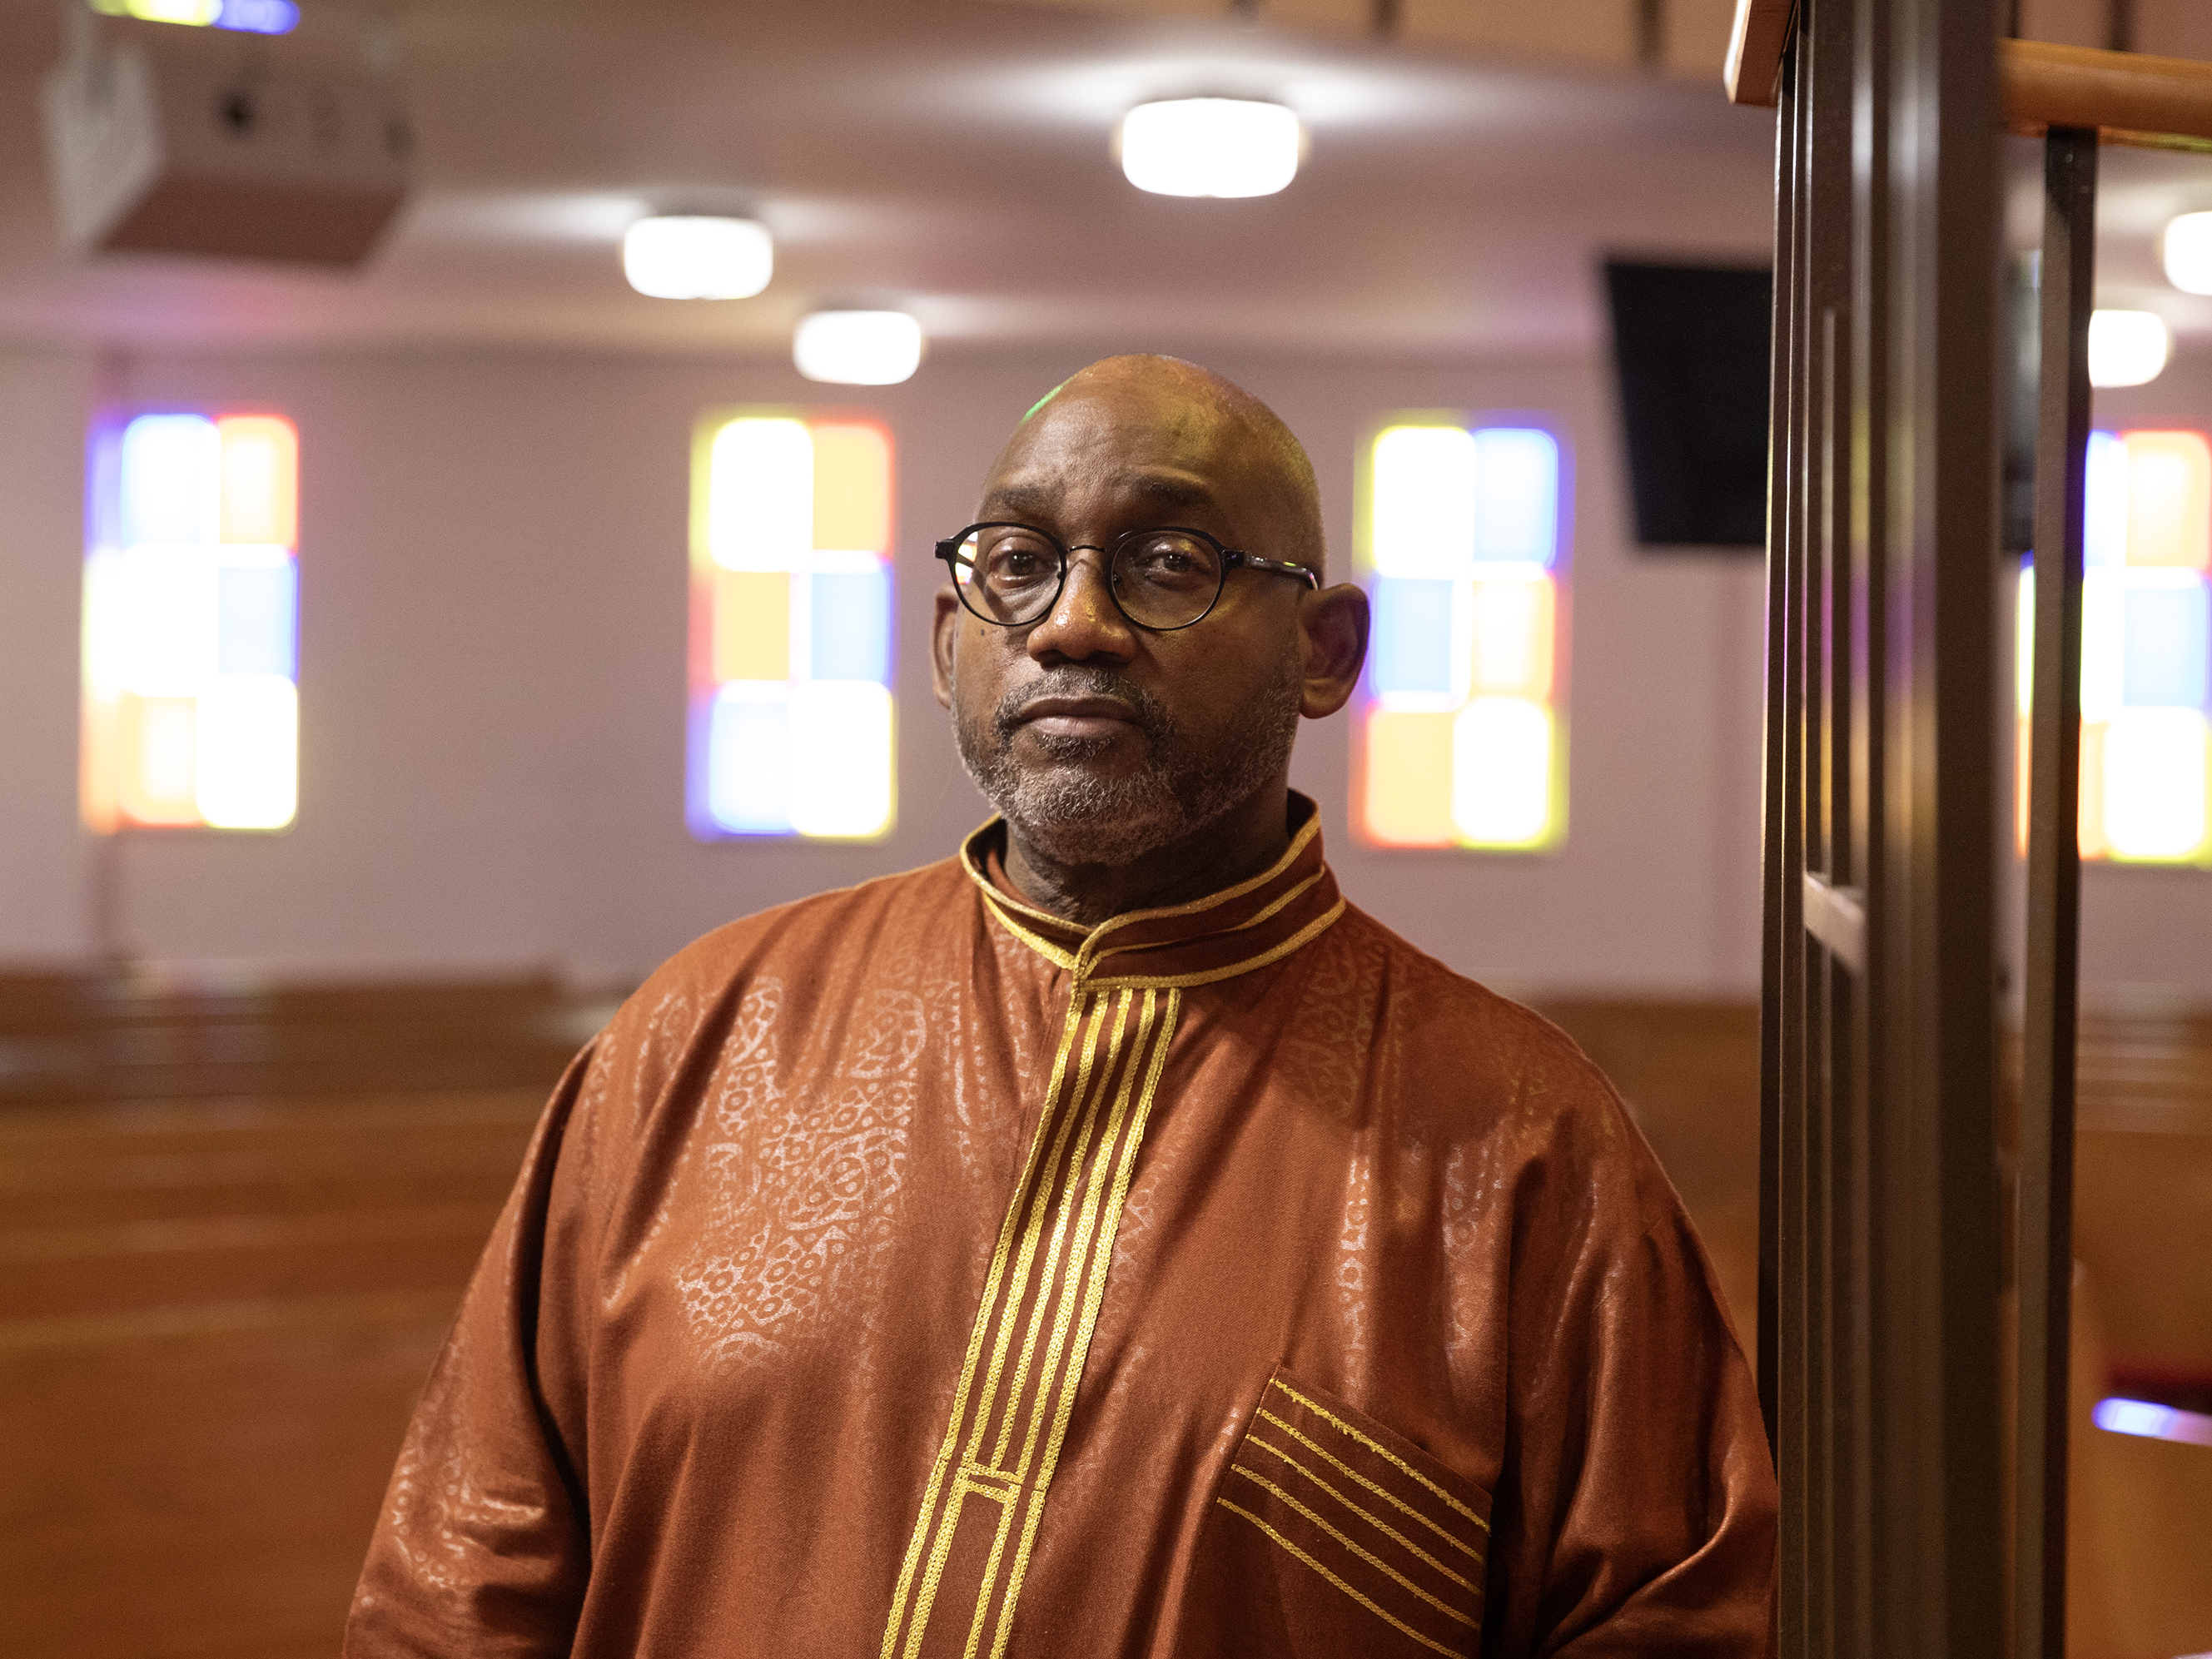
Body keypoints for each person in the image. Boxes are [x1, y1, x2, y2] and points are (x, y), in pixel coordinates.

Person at [345, 355, 1777, 1658]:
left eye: (1168, 561)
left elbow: (1674, 1628)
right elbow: (460, 1592)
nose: (1074, 625)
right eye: (1017, 563)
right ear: (946, 637)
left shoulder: (1520, 1146)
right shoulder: (699, 1039)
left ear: (1326, 650)